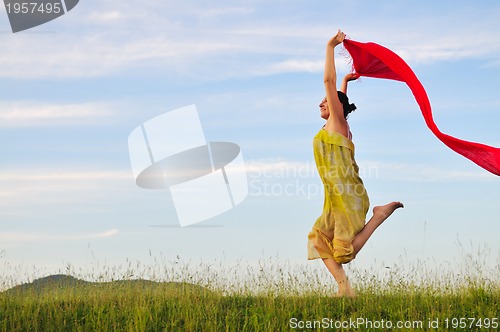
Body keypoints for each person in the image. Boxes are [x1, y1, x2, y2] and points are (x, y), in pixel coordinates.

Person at [307, 30, 404, 297]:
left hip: (346, 195)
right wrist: (347, 82)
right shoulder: (339, 124)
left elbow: (328, 80)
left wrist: (330, 46)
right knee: (318, 240)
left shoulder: (337, 123)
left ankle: (379, 216)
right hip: (336, 196)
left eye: (326, 100)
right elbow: (339, 97)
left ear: (337, 107)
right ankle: (344, 289)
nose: (321, 102)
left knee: (343, 252)